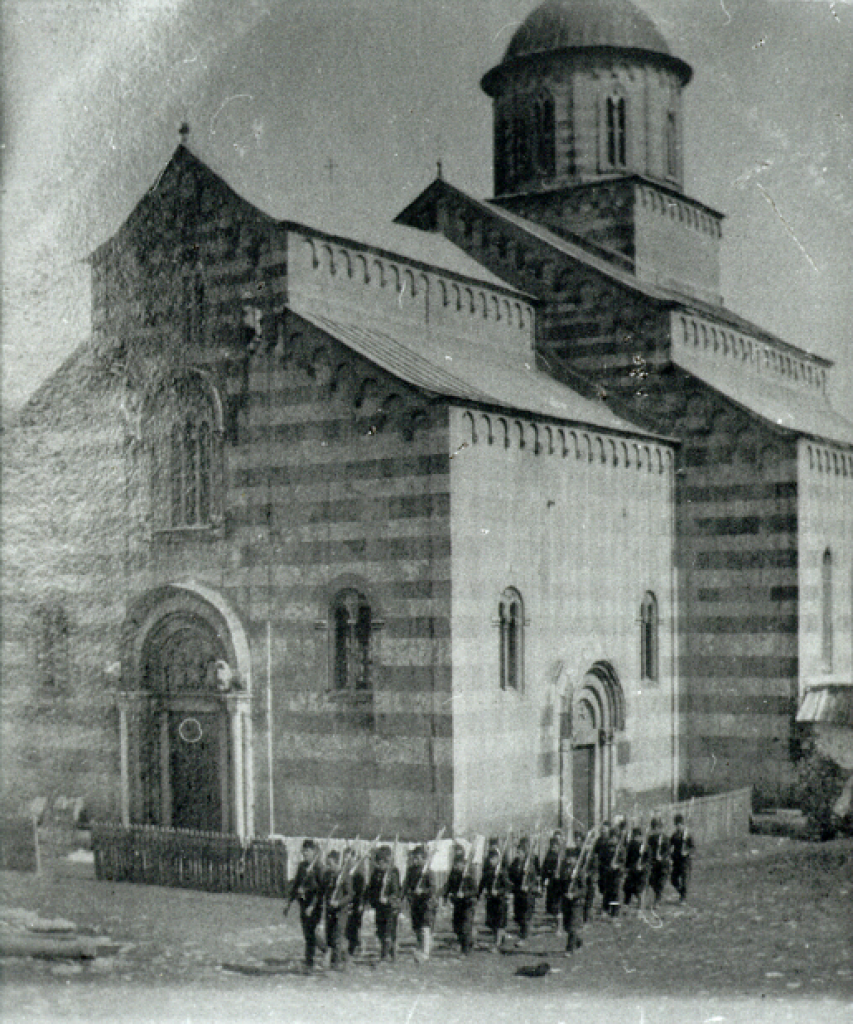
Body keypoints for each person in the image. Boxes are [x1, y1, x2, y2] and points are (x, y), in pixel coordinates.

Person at [285, 838, 324, 972]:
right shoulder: (302, 866)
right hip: (303, 904)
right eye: (303, 850)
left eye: (307, 851)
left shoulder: (319, 868)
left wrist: (313, 905)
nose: (304, 853)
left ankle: (310, 962)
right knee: (307, 934)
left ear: (313, 851)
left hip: (314, 905)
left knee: (311, 933)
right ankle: (325, 949)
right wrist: (289, 903)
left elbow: (321, 890)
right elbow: (296, 884)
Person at [402, 844, 437, 962]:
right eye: (414, 858)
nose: (415, 860)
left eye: (417, 858)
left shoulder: (428, 872)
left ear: (424, 859)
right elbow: (406, 885)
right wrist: (403, 896)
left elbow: (433, 889)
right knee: (416, 927)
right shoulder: (410, 871)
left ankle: (426, 953)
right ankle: (420, 947)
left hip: (425, 903)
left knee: (424, 927)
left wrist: (423, 891)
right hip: (414, 903)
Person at [366, 845, 401, 960]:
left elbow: (396, 892)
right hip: (379, 907)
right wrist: (371, 900)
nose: (380, 865)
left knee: (389, 931)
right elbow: (371, 888)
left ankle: (386, 955)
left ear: (386, 862)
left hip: (390, 907)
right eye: (378, 862)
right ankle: (389, 951)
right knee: (380, 931)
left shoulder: (392, 873)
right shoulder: (376, 873)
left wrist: (388, 899)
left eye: (382, 862)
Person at [443, 844, 478, 955]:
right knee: (457, 927)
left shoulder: (468, 875)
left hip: (468, 904)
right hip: (457, 904)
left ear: (463, 864)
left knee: (465, 927)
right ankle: (468, 942)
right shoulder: (454, 874)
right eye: (455, 864)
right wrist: (445, 896)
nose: (456, 866)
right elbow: (448, 886)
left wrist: (465, 894)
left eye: (458, 864)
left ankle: (465, 950)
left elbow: (475, 890)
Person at [322, 849, 352, 970]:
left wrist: (339, 902)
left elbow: (349, 895)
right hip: (330, 911)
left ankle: (337, 963)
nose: (329, 867)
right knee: (329, 937)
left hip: (341, 911)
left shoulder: (345, 876)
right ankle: (344, 958)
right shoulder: (328, 876)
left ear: (337, 863)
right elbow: (324, 891)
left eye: (331, 865)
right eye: (328, 865)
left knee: (338, 937)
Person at [508, 835, 540, 945]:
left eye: (520, 852)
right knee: (518, 915)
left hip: (528, 894)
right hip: (518, 893)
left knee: (526, 916)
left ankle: (524, 938)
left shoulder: (529, 865)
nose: (518, 855)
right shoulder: (515, 863)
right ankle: (522, 933)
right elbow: (510, 874)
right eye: (518, 852)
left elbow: (534, 879)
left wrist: (528, 887)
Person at [478, 843, 509, 951]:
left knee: (499, 923)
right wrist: (479, 894)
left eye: (493, 859)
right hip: (491, 900)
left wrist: (499, 892)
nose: (491, 861)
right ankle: (500, 939)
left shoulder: (502, 872)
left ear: (498, 859)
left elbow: (507, 887)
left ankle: (497, 944)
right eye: (490, 859)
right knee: (492, 923)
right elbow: (482, 884)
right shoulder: (488, 872)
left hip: (500, 901)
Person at [558, 844, 584, 954]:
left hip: (576, 903)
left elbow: (584, 889)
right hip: (566, 902)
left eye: (571, 858)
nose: (569, 860)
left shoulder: (579, 872)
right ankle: (578, 941)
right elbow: (561, 885)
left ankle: (569, 949)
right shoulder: (564, 870)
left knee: (573, 926)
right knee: (567, 927)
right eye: (567, 858)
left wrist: (574, 894)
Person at [344, 846, 367, 957]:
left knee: (355, 925)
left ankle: (356, 946)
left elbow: (362, 889)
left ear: (354, 858)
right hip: (347, 901)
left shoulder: (359, 872)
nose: (346, 860)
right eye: (345, 857)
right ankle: (353, 946)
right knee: (347, 926)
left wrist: (361, 903)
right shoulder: (345, 871)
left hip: (357, 902)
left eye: (348, 858)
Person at [669, 814, 695, 902]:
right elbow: (670, 845)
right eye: (676, 825)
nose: (678, 827)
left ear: (682, 824)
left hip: (685, 861)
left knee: (684, 880)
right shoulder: (674, 835)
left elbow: (693, 847)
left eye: (679, 825)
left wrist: (687, 851)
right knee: (673, 880)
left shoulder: (687, 835)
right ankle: (681, 892)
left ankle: (683, 898)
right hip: (676, 860)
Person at [540, 831, 563, 928]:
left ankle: (559, 925)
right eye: (552, 846)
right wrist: (543, 881)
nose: (553, 848)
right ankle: (554, 920)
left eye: (555, 846)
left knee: (559, 903)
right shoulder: (549, 856)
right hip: (551, 883)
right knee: (552, 902)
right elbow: (544, 869)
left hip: (561, 883)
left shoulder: (562, 856)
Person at [644, 817, 668, 907]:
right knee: (652, 881)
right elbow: (648, 850)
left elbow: (667, 851)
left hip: (663, 864)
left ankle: (657, 900)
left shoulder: (665, 838)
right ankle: (656, 895)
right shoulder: (651, 838)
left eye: (657, 828)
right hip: (653, 863)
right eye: (653, 829)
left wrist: (662, 857)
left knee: (660, 882)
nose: (655, 831)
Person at [622, 825, 646, 908]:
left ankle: (640, 904)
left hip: (641, 870)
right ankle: (626, 903)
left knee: (638, 888)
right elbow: (628, 857)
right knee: (627, 887)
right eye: (634, 836)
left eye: (637, 836)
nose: (635, 839)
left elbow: (647, 859)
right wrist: (626, 867)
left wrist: (642, 866)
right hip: (632, 869)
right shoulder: (631, 845)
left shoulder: (645, 847)